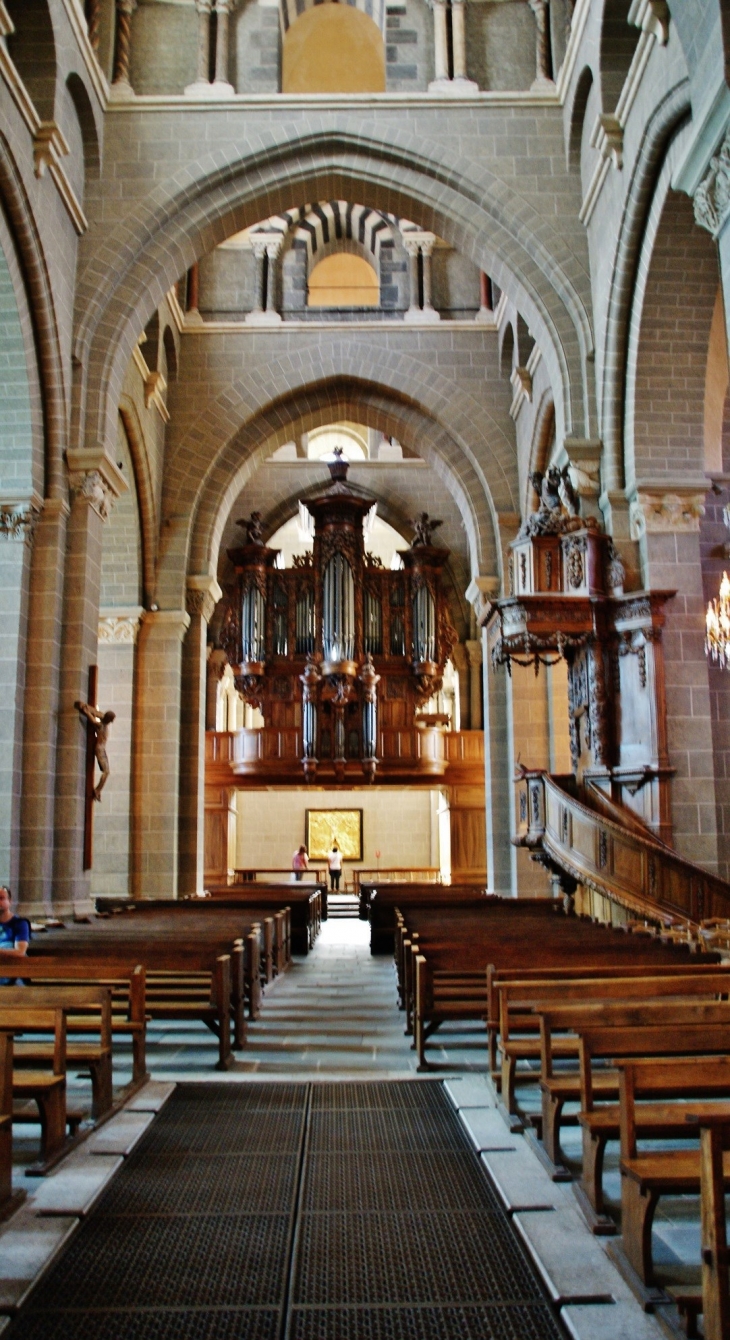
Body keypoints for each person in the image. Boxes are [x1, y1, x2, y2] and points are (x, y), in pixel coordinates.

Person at [0, 885, 30, 986]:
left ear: (10, 901)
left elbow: (20, 952)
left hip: (13, 975)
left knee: (8, 945)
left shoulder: (20, 923)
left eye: (1, 898)